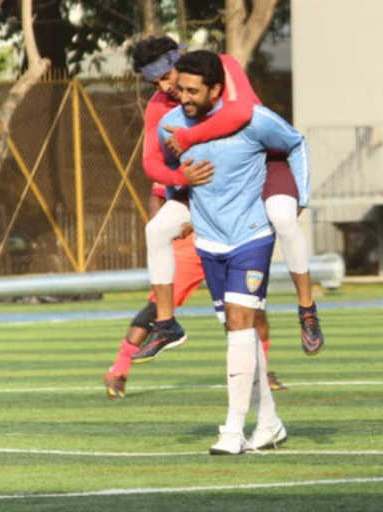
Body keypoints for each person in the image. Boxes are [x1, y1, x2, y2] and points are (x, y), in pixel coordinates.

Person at [130, 36, 324, 364]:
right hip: (209, 183)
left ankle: (307, 309)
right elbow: (152, 163)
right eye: (155, 83)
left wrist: (189, 136)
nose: (164, 88)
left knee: (283, 217)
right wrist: (180, 180)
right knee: (157, 230)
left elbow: (239, 113)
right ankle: (166, 323)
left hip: (262, 163)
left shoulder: (223, 68)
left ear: (180, 61)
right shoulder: (159, 107)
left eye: (166, 77)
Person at [157, 50, 311, 454]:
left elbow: (295, 142)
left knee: (241, 323)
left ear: (216, 90)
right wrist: (180, 199)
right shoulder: (169, 125)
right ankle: (270, 422)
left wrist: (301, 197)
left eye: (193, 91)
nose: (184, 97)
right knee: (236, 331)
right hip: (209, 240)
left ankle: (231, 431)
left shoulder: (252, 120)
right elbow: (172, 176)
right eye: (181, 90)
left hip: (251, 234)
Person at [103, 181, 286, 399]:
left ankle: (260, 371)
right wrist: (163, 231)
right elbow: (158, 194)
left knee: (252, 308)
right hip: (189, 244)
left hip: (232, 238)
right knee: (160, 306)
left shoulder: (239, 150)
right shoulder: (183, 152)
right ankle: (119, 371)